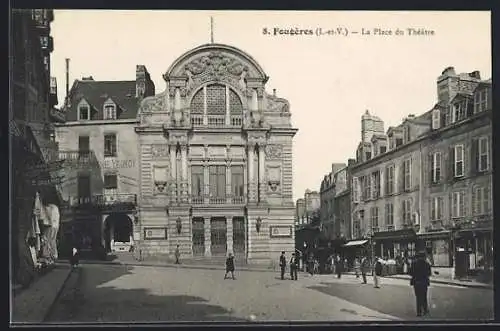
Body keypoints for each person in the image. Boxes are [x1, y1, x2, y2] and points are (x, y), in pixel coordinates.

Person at [410, 251, 432, 317]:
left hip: (416, 282)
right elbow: (429, 274)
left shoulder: (414, 264)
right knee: (424, 296)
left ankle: (419, 312)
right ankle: (425, 310)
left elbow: (410, 273)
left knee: (418, 297)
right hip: (424, 282)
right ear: (424, 257)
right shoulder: (427, 264)